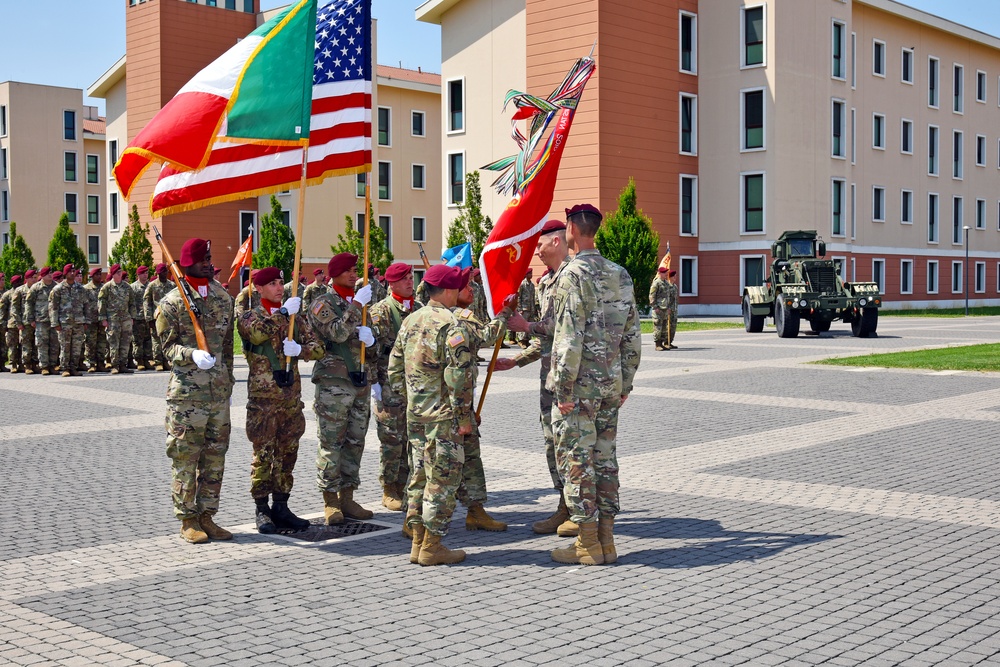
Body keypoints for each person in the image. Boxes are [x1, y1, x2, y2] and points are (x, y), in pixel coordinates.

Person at [547, 203, 641, 566]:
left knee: (576, 461)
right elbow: (633, 336)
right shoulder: (621, 273)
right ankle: (607, 541)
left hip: (579, 389)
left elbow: (568, 338)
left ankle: (587, 544)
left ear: (571, 228)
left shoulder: (571, 275)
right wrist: (625, 383)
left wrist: (563, 390)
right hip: (609, 387)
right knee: (605, 461)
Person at [387, 264, 475, 565]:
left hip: (416, 415)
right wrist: (464, 417)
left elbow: (394, 367)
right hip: (443, 418)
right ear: (449, 291)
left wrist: (411, 399)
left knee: (419, 477)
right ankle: (432, 546)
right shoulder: (452, 323)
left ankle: (417, 541)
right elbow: (459, 376)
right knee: (442, 480)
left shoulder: (411, 319)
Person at [156, 238, 236, 544]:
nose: (208, 262)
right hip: (187, 395)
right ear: (187, 261)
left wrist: (226, 378)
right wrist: (191, 355)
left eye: (210, 258)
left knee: (215, 457)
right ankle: (188, 519)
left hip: (217, 393)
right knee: (186, 457)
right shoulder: (172, 302)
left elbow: (227, 346)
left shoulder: (221, 297)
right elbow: (166, 348)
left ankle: (207, 515)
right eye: (202, 258)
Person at [499, 219, 576, 535]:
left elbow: (564, 330)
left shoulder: (573, 279)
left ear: (556, 241)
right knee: (553, 444)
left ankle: (579, 511)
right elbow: (547, 340)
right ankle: (564, 504)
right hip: (550, 379)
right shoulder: (547, 283)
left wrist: (526, 326)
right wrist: (515, 361)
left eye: (539, 244)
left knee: (572, 445)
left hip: (570, 379)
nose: (536, 252)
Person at [238, 267, 325, 534]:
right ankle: (262, 509)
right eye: (272, 284)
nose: (279, 287)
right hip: (264, 402)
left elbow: (319, 347)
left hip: (290, 399)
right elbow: (257, 334)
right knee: (263, 456)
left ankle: (282, 506)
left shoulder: (295, 319)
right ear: (259, 289)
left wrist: (300, 350)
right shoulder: (250, 316)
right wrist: (283, 314)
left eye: (280, 283)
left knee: (288, 455)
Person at [307, 252, 377, 525]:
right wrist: (356, 306)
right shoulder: (322, 303)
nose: (353, 274)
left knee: (355, 441)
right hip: (333, 384)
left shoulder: (359, 304)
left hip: (359, 380)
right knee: (331, 442)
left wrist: (371, 340)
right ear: (334, 274)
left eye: (354, 270)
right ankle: (330, 501)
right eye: (348, 271)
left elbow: (368, 338)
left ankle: (348, 496)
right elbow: (336, 332)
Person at [450, 269, 521, 532]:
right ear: (450, 292)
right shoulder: (461, 317)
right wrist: (505, 312)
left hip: (447, 402)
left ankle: (473, 511)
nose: (472, 290)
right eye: (466, 287)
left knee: (455, 459)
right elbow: (489, 335)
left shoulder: (427, 316)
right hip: (454, 404)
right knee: (463, 458)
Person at [368, 262, 419, 513]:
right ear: (392, 283)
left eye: (411, 277)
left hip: (416, 385)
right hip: (389, 384)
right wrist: (375, 382)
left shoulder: (419, 308)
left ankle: (406, 485)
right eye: (405, 278)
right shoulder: (381, 311)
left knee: (411, 439)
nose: (411, 282)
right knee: (391, 439)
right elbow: (373, 351)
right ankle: (389, 489)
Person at [49, 265, 87, 377]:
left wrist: (86, 321)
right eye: (70, 271)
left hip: (78, 322)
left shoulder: (80, 288)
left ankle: (74, 367)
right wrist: (55, 323)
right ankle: (65, 368)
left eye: (73, 271)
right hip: (64, 322)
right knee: (65, 346)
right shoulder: (58, 289)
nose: (72, 273)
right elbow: (53, 307)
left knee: (76, 347)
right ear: (65, 273)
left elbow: (86, 305)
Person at [99, 264, 136, 374]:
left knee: (125, 343)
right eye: (117, 273)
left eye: (121, 272)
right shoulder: (107, 287)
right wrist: (103, 318)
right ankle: (115, 365)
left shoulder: (127, 287)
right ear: (113, 274)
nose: (120, 274)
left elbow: (132, 303)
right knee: (114, 343)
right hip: (113, 319)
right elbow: (101, 303)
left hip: (125, 319)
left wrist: (132, 317)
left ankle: (123, 365)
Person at [26, 267, 59, 375]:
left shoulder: (57, 287)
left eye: (51, 273)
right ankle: (44, 366)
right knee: (42, 344)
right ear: (43, 275)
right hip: (41, 320)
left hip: (55, 320)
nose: (50, 275)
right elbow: (29, 303)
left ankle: (53, 365)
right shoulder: (36, 287)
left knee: (54, 344)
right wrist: (31, 319)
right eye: (48, 273)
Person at [144, 263, 175, 372]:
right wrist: (149, 318)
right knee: (156, 341)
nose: (165, 274)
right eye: (162, 272)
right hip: (156, 317)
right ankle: (158, 362)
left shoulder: (171, 285)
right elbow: (147, 302)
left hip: (169, 317)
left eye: (166, 272)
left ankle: (166, 361)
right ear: (158, 273)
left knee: (167, 340)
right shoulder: (152, 285)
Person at [83, 267, 109, 373]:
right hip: (90, 320)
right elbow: (82, 305)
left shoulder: (104, 288)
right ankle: (92, 364)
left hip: (101, 319)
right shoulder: (86, 289)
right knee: (90, 343)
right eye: (97, 275)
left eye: (100, 274)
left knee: (102, 342)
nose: (99, 276)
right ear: (92, 276)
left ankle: (101, 363)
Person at [15, 269, 39, 374]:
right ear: (27, 279)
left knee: (36, 344)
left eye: (35, 277)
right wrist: (18, 322)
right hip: (25, 323)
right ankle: (27, 365)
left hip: (38, 321)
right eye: (33, 278)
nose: (35, 280)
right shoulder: (20, 290)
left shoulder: (38, 289)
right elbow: (15, 308)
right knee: (26, 344)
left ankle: (35, 364)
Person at [649, 267, 678, 351]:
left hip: (665, 309)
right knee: (658, 327)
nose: (666, 274)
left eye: (666, 272)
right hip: (658, 309)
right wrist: (655, 307)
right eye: (664, 272)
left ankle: (662, 344)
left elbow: (669, 297)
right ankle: (657, 344)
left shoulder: (666, 283)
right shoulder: (656, 283)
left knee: (664, 328)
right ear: (660, 273)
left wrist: (669, 307)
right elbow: (652, 296)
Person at [131, 266, 153, 370]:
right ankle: (139, 361)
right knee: (138, 340)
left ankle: (147, 360)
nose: (145, 275)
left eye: (146, 273)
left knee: (148, 340)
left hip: (148, 317)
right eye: (143, 273)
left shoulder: (151, 286)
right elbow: (131, 303)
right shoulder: (133, 287)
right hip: (138, 318)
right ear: (138, 275)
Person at [2, 274, 23, 373]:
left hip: (23, 323)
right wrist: (3, 323)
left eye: (19, 282)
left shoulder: (23, 292)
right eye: (16, 283)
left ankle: (22, 364)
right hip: (11, 324)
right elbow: (3, 311)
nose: (18, 284)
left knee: (23, 345)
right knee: (12, 345)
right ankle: (13, 364)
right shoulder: (7, 294)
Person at [0, 272, 6, 372]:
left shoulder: (6, 293)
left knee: (3, 345)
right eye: (1, 280)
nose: (2, 282)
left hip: (3, 322)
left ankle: (2, 364)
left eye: (3, 280)